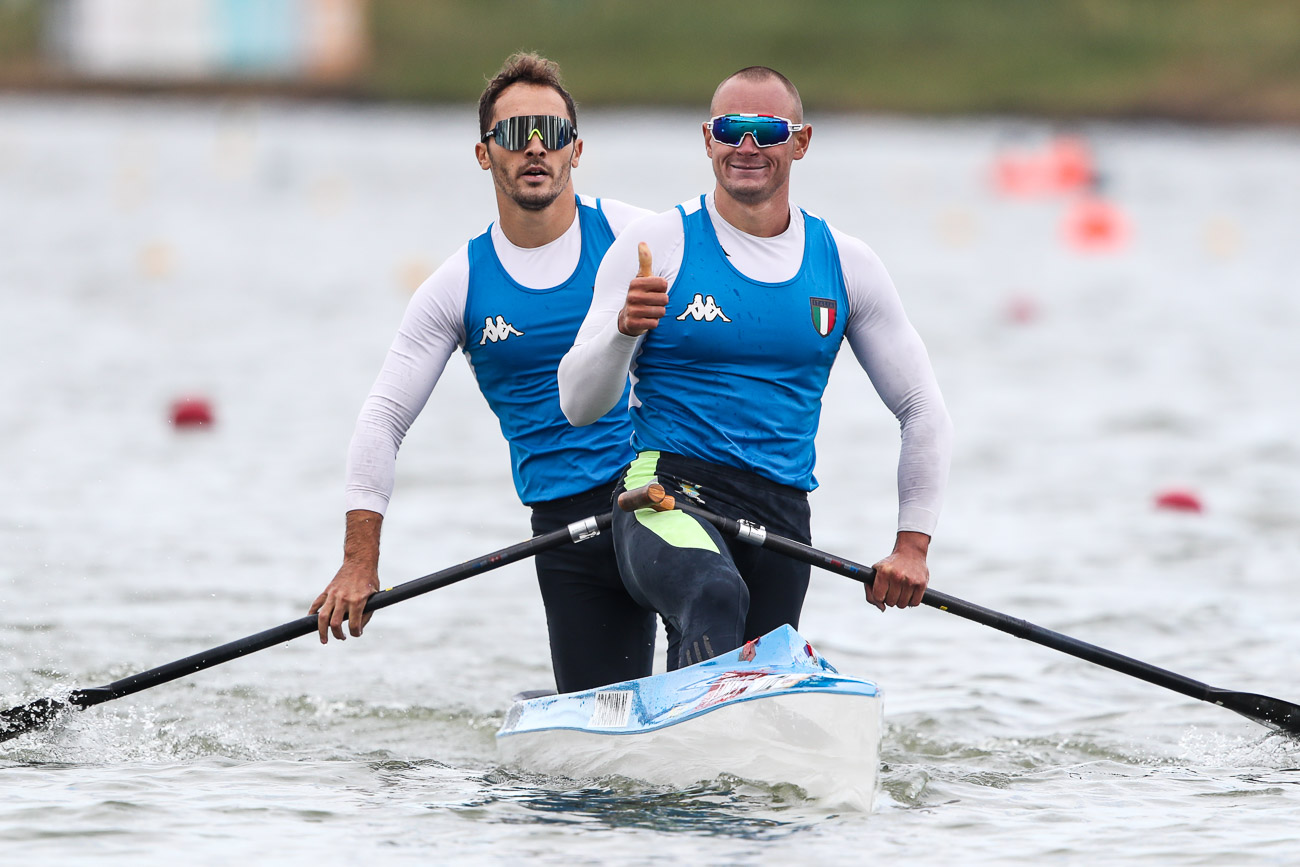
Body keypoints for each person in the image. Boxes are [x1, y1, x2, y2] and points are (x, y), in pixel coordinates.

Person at [557, 66, 953, 670]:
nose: (747, 146)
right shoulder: (657, 245)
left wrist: (911, 547)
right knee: (714, 593)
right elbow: (577, 408)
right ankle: (693, 745)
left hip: (782, 517)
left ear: (801, 141)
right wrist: (623, 332)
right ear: (708, 138)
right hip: (664, 494)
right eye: (730, 128)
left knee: (758, 667)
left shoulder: (848, 264)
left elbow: (922, 410)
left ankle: (703, 730)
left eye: (766, 130)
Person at [310, 53, 657, 694]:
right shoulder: (457, 287)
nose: (534, 148)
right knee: (603, 732)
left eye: (551, 134)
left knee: (711, 626)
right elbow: (383, 421)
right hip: (567, 524)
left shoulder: (641, 236)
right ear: (483, 153)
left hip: (665, 491)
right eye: (513, 133)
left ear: (575, 150)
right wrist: (360, 561)